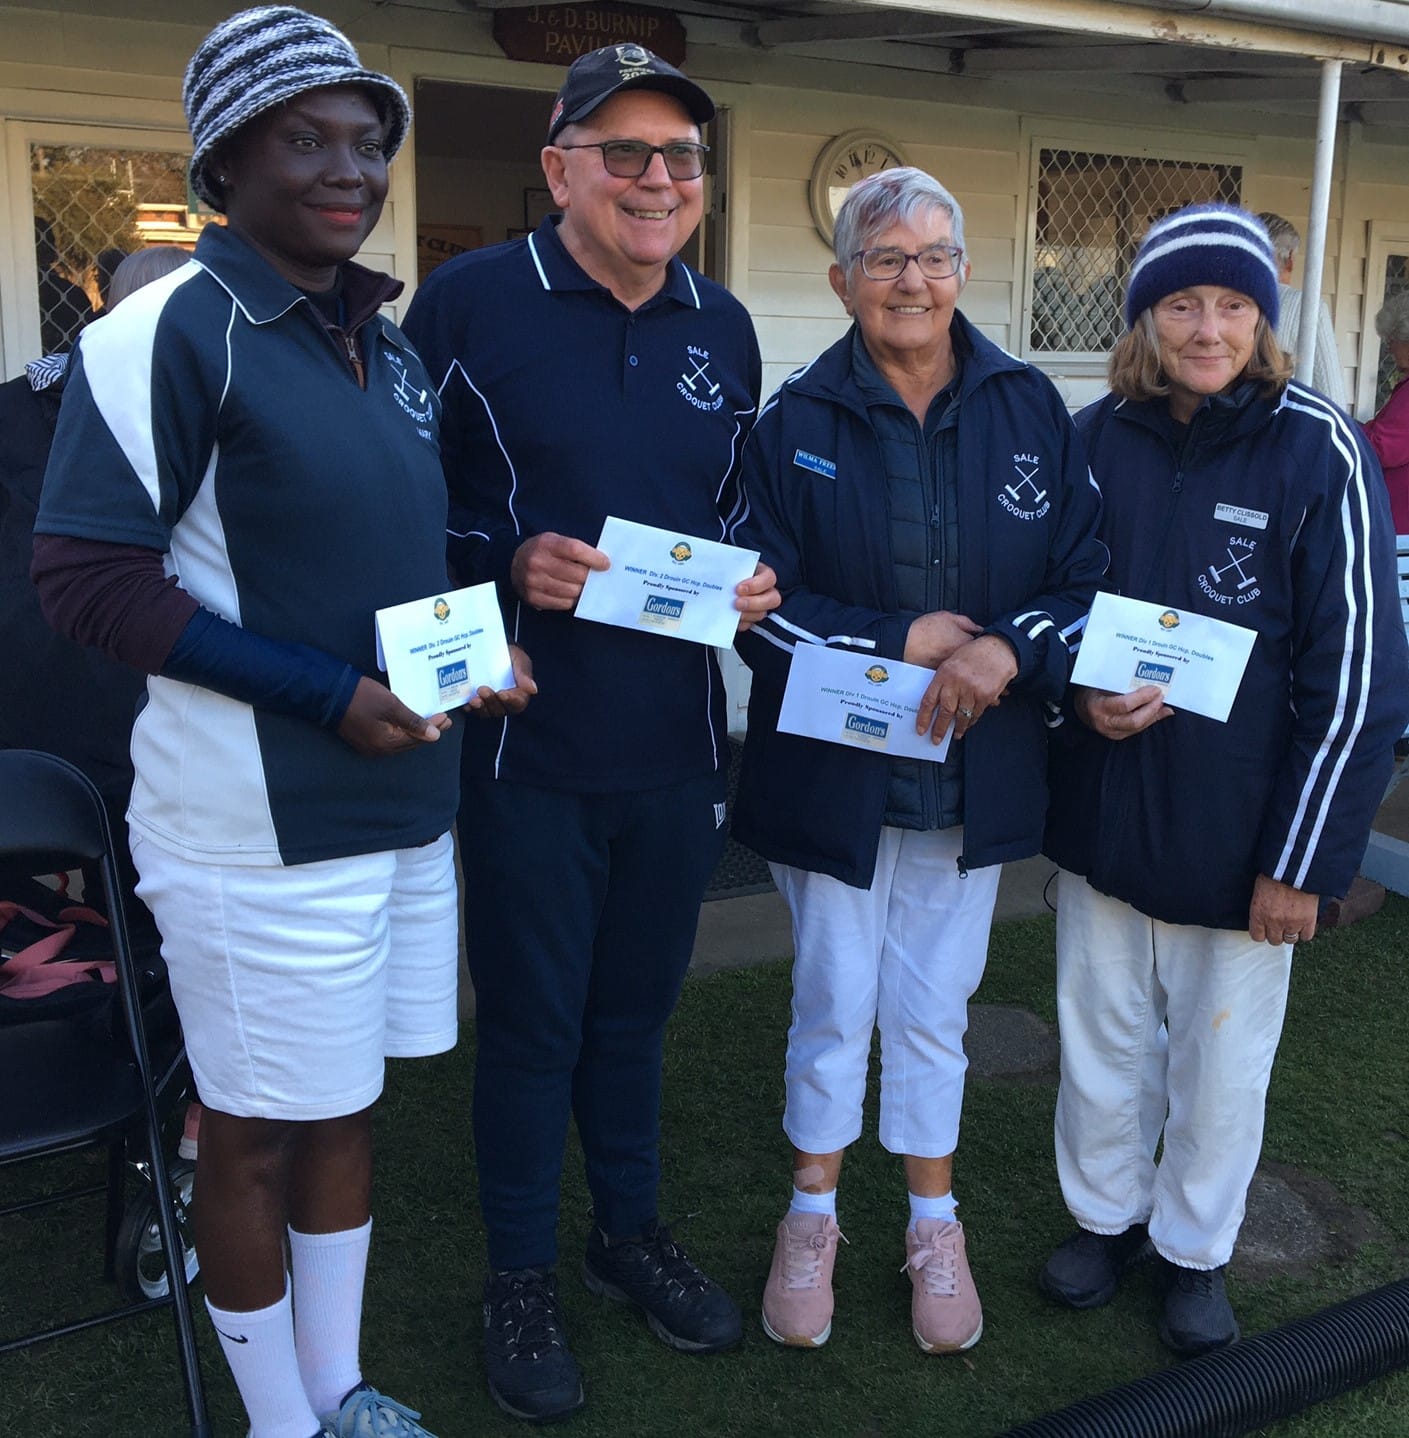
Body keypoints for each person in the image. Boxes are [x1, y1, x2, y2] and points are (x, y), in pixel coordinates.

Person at [33, 9, 531, 1437]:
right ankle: (280, 1422)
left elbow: (388, 558)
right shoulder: (167, 331)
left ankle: (337, 1387)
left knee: (343, 1105)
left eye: (368, 142)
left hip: (400, 809)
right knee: (249, 1128)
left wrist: (469, 653)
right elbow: (86, 579)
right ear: (224, 163)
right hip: (258, 829)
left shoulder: (386, 348)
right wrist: (329, 696)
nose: (350, 169)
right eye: (306, 138)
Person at [403, 42, 777, 1424]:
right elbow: (400, 508)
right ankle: (518, 1273)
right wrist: (504, 563)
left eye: (679, 155)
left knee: (635, 1018)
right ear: (559, 167)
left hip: (677, 748)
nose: (656, 178)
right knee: (533, 1028)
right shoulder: (468, 303)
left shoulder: (721, 324)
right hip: (526, 753)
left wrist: (757, 577)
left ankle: (628, 1234)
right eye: (624, 152)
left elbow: (734, 508)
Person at [727, 167, 1106, 1355]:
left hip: (967, 771)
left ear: (963, 273)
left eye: (933, 256)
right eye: (884, 258)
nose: (911, 280)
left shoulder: (1029, 408)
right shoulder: (790, 421)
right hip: (834, 775)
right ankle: (811, 1216)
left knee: (934, 1011)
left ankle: (932, 1224)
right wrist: (895, 638)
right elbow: (755, 613)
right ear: (841, 279)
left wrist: (1005, 651)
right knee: (832, 1001)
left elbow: (1082, 580)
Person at [1041, 204, 1409, 1357]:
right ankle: (1103, 1220)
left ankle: (1193, 1250)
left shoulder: (1317, 448)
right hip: (1105, 809)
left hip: (1242, 832)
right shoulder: (1090, 437)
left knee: (1218, 1060)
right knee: (1099, 1036)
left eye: (1233, 304)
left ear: (1263, 317)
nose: (1207, 328)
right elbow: (1044, 600)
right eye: (1181, 303)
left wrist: (1301, 863)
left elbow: (1356, 678)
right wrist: (1074, 694)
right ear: (1142, 316)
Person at [1256, 211, 1348, 409]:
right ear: (1290, 258)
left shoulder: (1228, 303)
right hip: (1285, 420)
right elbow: (1332, 394)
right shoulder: (1307, 306)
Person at [1362, 289, 1409, 533]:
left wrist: (1338, 426)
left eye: (1392, 340)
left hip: (1400, 526)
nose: (1389, 349)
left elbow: (1383, 447)